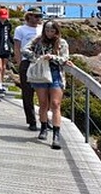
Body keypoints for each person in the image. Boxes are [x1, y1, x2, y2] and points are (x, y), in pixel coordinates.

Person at [29, 20, 71, 149]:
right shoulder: (38, 41)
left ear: (57, 31)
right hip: (41, 74)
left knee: (55, 104)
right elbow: (26, 49)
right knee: (43, 103)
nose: (49, 33)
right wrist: (36, 57)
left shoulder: (62, 43)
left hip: (56, 73)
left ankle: (56, 136)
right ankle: (43, 127)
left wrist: (53, 57)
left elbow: (65, 58)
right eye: (47, 30)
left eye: (52, 31)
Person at [14, 7, 43, 131]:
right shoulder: (20, 29)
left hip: (41, 63)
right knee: (27, 93)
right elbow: (17, 47)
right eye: (36, 16)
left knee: (44, 93)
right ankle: (31, 121)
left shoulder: (42, 29)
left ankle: (45, 120)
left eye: (39, 16)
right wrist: (19, 63)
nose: (38, 19)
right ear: (29, 16)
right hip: (26, 62)